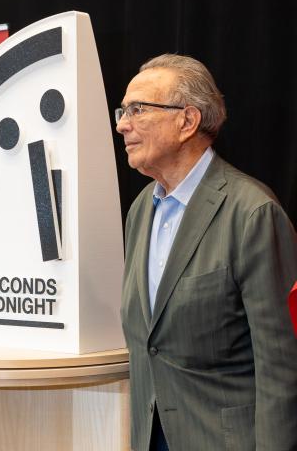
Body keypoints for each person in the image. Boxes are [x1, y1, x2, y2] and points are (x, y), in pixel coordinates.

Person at [116, 54, 297, 451]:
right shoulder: (141, 211)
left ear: (187, 121)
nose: (122, 124)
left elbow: (280, 367)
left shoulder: (252, 213)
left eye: (137, 109)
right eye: (122, 110)